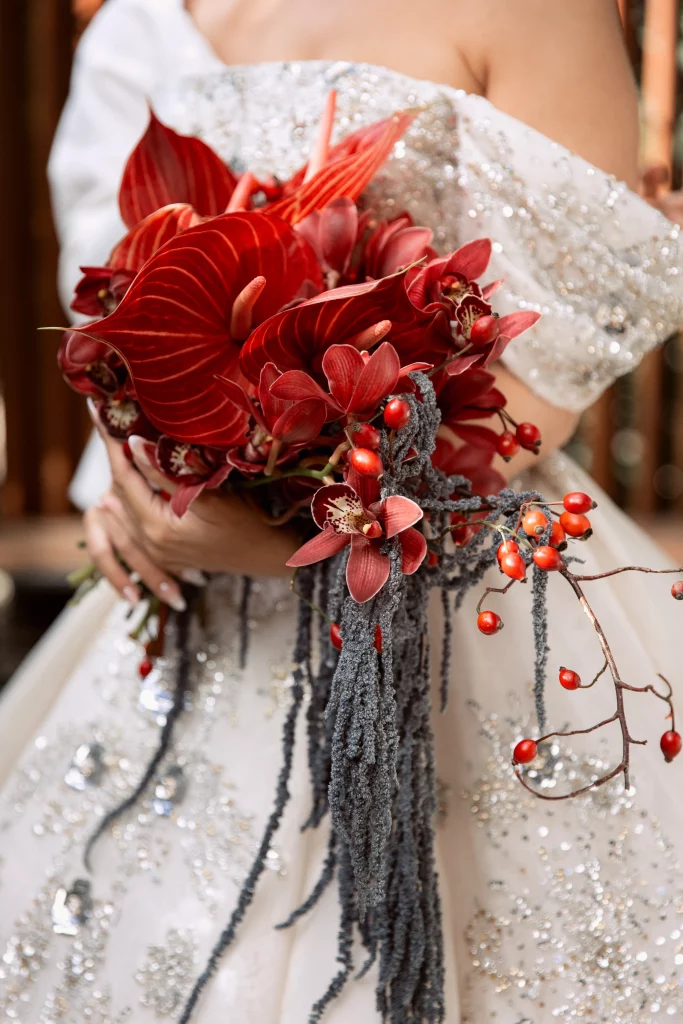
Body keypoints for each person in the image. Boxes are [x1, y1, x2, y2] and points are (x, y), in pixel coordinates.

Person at [0, 0, 681, 1020]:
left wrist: (283, 531)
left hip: (444, 572)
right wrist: (135, 484)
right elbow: (112, 328)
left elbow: (543, 379)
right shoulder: (157, 18)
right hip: (192, 594)